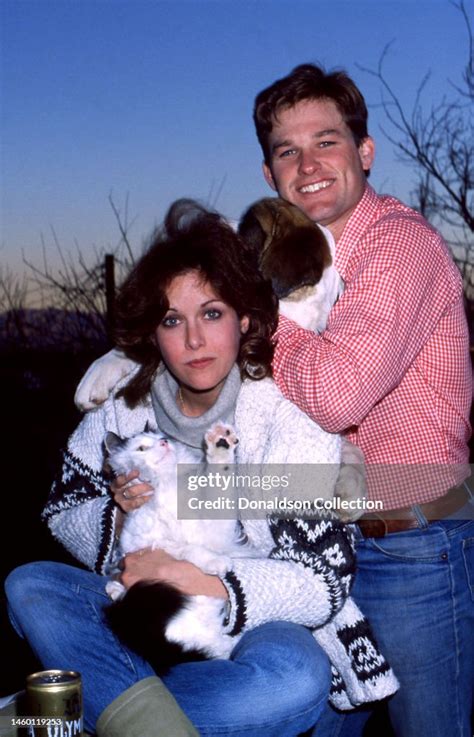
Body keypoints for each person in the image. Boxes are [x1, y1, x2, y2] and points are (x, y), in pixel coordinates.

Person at [74, 64, 473, 737]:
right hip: (312, 536)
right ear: (268, 173)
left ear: (364, 152)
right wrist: (135, 360)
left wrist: (262, 312)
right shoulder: (290, 251)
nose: (308, 164)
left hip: (409, 543)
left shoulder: (397, 248)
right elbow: (199, 330)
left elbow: (336, 394)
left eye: (327, 141)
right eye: (287, 150)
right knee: (302, 715)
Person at [5, 200, 397, 737]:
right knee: (29, 584)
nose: (193, 340)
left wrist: (193, 576)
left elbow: (322, 579)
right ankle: (124, 712)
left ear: (243, 317)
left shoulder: (289, 412)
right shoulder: (124, 405)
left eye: (211, 313)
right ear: (152, 332)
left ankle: (58, 716)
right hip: (140, 605)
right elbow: (63, 508)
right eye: (172, 320)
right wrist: (123, 524)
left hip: (252, 616)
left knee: (293, 681)